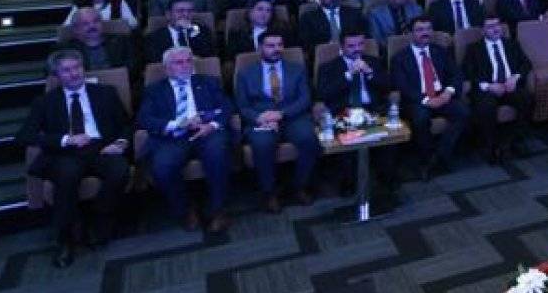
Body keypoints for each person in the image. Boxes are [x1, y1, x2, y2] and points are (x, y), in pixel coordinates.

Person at [19, 50, 132, 268]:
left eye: (77, 68)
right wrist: (65, 140)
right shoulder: (45, 102)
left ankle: (100, 217)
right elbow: (25, 135)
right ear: (56, 76)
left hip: (101, 147)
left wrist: (120, 143)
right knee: (66, 175)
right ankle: (65, 239)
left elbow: (126, 125)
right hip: (66, 151)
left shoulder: (105, 93)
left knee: (120, 171)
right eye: (66, 70)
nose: (74, 74)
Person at [138, 45, 234, 235]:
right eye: (178, 62)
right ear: (167, 68)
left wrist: (212, 125)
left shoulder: (208, 82)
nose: (185, 65)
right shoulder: (154, 90)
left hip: (207, 132)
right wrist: (177, 124)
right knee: (162, 167)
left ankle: (218, 208)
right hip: (174, 137)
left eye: (188, 61)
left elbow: (227, 107)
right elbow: (145, 119)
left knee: (218, 152)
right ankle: (184, 209)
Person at [231, 32, 321, 210]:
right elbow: (241, 105)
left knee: (309, 139)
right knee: (262, 144)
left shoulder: (297, 68)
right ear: (260, 48)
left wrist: (281, 114)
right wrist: (259, 117)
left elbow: (305, 99)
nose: (276, 49)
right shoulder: (245, 73)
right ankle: (269, 192)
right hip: (260, 119)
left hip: (291, 116)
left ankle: (300, 186)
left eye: (279, 45)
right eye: (270, 46)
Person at [315, 31, 397, 195]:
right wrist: (348, 75)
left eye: (360, 45)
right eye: (351, 46)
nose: (357, 49)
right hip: (343, 113)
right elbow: (324, 94)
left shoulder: (373, 62)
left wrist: (369, 73)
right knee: (348, 146)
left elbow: (389, 85)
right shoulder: (329, 67)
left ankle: (386, 181)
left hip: (372, 111)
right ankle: (349, 183)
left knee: (388, 141)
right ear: (342, 47)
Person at [389, 18, 468, 176]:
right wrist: (426, 100)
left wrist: (448, 92)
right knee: (420, 118)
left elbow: (456, 74)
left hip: (442, 95)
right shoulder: (400, 58)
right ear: (410, 33)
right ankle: (427, 157)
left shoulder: (440, 51)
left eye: (428, 29)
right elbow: (403, 86)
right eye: (419, 30)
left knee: (463, 113)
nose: (425, 33)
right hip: (417, 100)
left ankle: (438, 157)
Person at [462, 15, 531, 162]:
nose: (495, 29)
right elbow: (468, 72)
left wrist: (515, 77)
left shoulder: (511, 44)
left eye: (497, 25)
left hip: (509, 85)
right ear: (482, 31)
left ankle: (514, 140)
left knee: (527, 98)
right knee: (487, 106)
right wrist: (489, 86)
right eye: (490, 26)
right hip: (487, 89)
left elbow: (526, 64)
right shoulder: (474, 49)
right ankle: (490, 145)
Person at [145, 0, 215, 63]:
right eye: (180, 11)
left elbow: (209, 57)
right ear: (168, 14)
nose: (185, 14)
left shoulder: (203, 32)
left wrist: (192, 32)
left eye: (189, 11)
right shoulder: (154, 38)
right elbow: (154, 62)